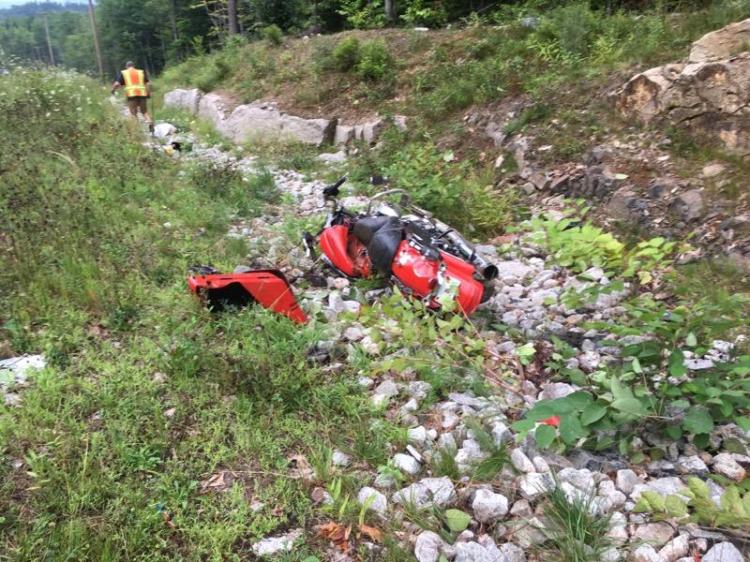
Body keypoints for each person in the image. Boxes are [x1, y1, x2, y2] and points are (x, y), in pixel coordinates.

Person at [111, 61, 154, 132]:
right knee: (144, 112)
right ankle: (150, 122)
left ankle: (138, 130)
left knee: (134, 113)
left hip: (131, 95)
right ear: (134, 66)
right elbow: (149, 84)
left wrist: (113, 90)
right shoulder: (140, 72)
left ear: (126, 66)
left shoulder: (125, 73)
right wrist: (148, 93)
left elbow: (117, 84)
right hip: (142, 94)